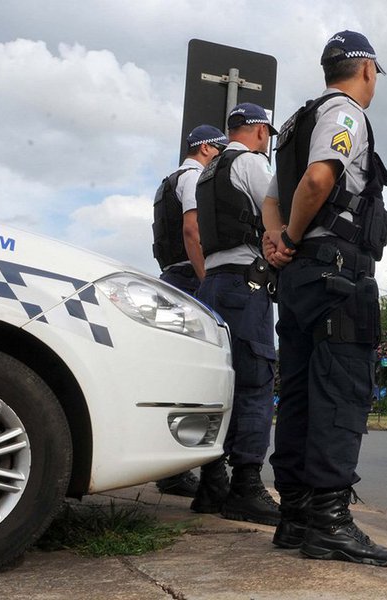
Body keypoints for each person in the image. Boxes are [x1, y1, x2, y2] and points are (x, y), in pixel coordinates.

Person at [261, 30, 387, 567]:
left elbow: (273, 198)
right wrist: (291, 238)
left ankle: (294, 517)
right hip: (335, 276)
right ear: (366, 70)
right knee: (340, 393)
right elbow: (319, 180)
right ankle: (330, 524)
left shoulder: (295, 125)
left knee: (297, 395)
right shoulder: (345, 114)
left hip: (297, 281)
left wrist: (278, 240)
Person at [188, 103, 281, 525]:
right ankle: (246, 484)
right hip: (247, 285)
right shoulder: (251, 163)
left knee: (216, 387)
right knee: (254, 385)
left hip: (212, 284)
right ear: (260, 131)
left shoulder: (207, 172)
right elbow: (276, 210)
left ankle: (212, 483)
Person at [151, 124, 226, 497]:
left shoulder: (169, 180)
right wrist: (206, 278)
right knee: (202, 381)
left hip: (170, 275)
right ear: (208, 149)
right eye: (220, 149)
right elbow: (192, 230)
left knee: (178, 380)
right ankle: (182, 472)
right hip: (188, 276)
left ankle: (171, 470)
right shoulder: (195, 177)